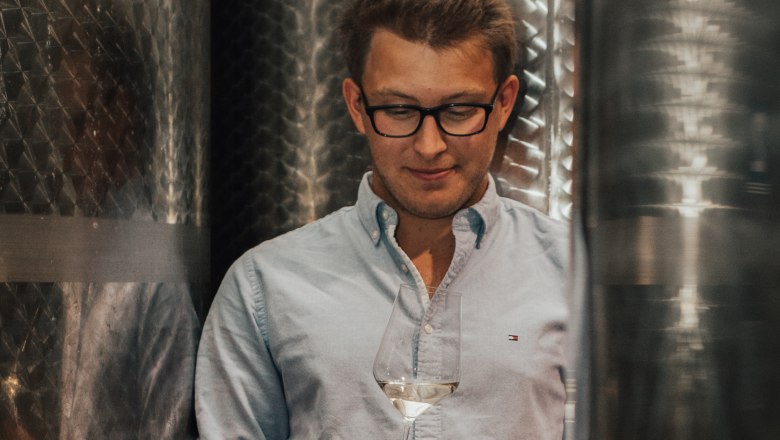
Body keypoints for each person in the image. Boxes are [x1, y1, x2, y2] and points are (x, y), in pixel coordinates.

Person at [195, 0, 569, 438]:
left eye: (459, 110)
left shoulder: (574, 273)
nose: (429, 145)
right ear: (357, 106)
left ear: (503, 103)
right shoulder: (265, 286)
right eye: (399, 110)